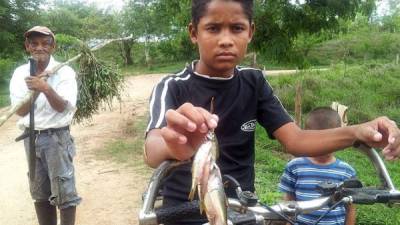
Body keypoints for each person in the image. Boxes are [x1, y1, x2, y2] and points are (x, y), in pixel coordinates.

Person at [144, 1, 400, 224]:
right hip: (183, 213)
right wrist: (173, 146)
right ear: (193, 32)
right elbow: (152, 149)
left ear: (251, 32)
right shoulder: (172, 86)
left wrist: (357, 131)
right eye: (213, 28)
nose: (225, 39)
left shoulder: (254, 83)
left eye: (237, 28)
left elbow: (296, 140)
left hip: (243, 210)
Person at [9, 26, 81, 225]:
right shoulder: (19, 73)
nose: (39, 48)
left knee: (64, 192)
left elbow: (62, 108)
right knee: (39, 192)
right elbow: (21, 111)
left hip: (57, 138)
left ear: (53, 46)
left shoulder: (65, 72)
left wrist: (45, 88)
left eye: (45, 43)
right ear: (27, 46)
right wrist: (35, 90)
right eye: (34, 44)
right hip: (31, 139)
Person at [279, 107, 356, 225]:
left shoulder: (347, 172)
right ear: (306, 137)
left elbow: (350, 209)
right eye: (317, 140)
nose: (323, 145)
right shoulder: (295, 167)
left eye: (328, 140)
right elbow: (288, 202)